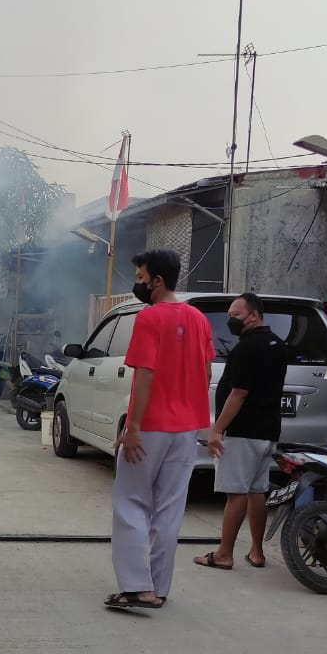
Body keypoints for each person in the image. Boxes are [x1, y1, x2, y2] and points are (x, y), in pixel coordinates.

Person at [104, 250, 214, 610]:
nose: (137, 284)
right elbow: (207, 371)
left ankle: (137, 588)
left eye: (140, 278)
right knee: (169, 510)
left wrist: (132, 427)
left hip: (151, 427)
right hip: (186, 431)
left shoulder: (150, 319)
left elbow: (145, 374)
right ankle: (159, 588)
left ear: (157, 281)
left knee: (131, 504)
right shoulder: (199, 319)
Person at [196, 292, 288, 571]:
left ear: (254, 315)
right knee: (256, 490)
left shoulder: (247, 348)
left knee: (235, 492)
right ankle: (257, 552)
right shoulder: (278, 344)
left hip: (243, 431)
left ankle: (224, 554)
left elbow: (238, 394)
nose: (230, 320)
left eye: (235, 315)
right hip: (267, 430)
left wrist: (217, 429)